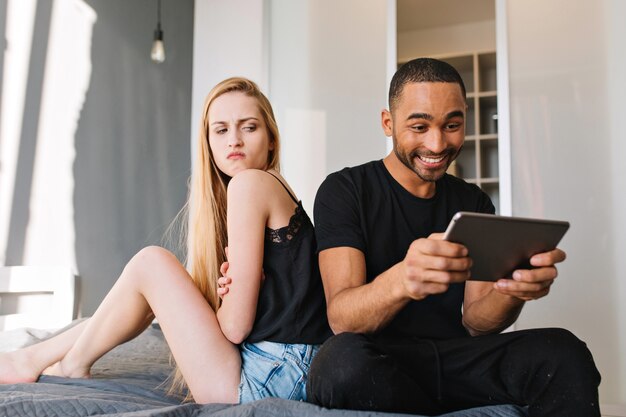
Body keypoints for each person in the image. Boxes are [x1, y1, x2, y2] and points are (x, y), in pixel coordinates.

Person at [0, 77, 331, 404]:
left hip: (270, 379)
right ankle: (40, 358)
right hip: (289, 370)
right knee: (145, 289)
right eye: (221, 130)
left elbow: (234, 329)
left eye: (248, 127)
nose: (234, 140)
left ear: (271, 139)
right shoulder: (275, 185)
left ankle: (64, 363)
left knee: (151, 264)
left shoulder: (249, 185)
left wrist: (228, 301)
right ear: (209, 143)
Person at [305, 58, 600, 417]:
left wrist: (511, 291)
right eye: (419, 126)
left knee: (564, 351)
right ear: (388, 122)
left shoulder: (473, 202)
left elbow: (476, 323)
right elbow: (343, 319)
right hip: (380, 359)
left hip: (454, 360)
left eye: (452, 125)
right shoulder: (345, 190)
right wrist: (403, 279)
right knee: (338, 363)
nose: (437, 143)